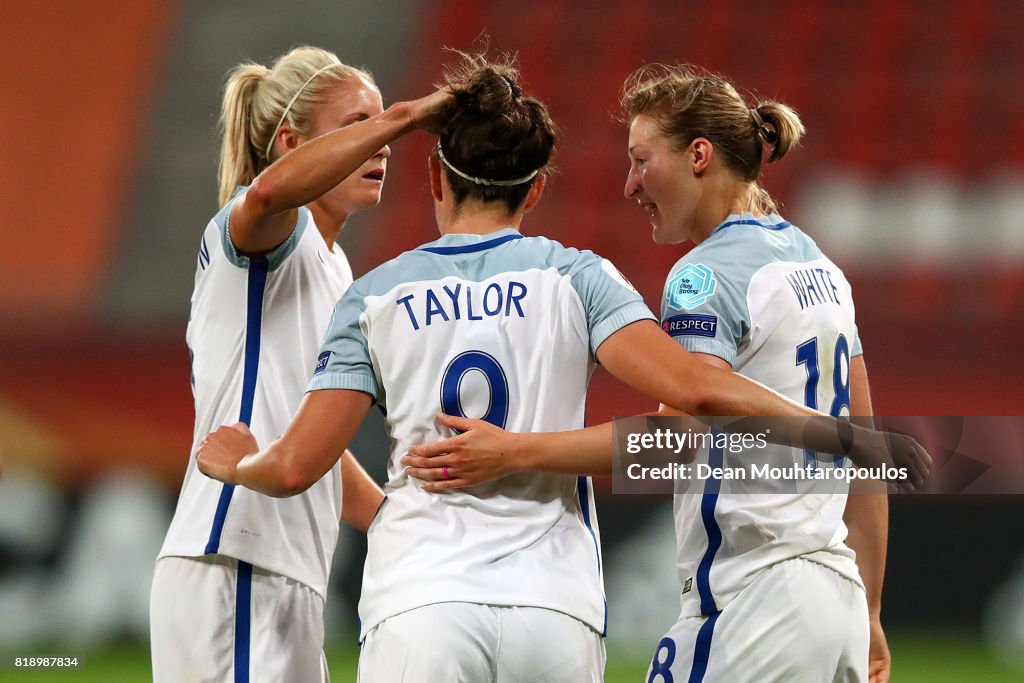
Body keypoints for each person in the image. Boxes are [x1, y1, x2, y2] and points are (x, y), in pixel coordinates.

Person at [195, 55, 926, 683]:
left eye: (642, 160)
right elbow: (707, 392)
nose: (632, 183)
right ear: (537, 188)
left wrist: (239, 462)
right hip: (571, 605)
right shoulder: (596, 276)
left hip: (436, 598)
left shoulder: (375, 291)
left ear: (433, 177)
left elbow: (296, 466)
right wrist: (864, 575)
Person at [402, 64, 898, 682]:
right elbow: (865, 451)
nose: (631, 184)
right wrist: (870, 611)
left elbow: (673, 441)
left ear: (698, 156)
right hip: (835, 596)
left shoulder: (705, 276)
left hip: (753, 597)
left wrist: (513, 452)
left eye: (641, 160)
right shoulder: (821, 269)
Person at [150, 45, 449, 682]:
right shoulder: (265, 234)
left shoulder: (334, 268)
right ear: (290, 141)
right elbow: (265, 197)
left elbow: (310, 442)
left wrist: (396, 522)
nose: (382, 143)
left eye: (380, 127)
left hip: (285, 567)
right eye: (357, 126)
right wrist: (402, 116)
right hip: (236, 556)